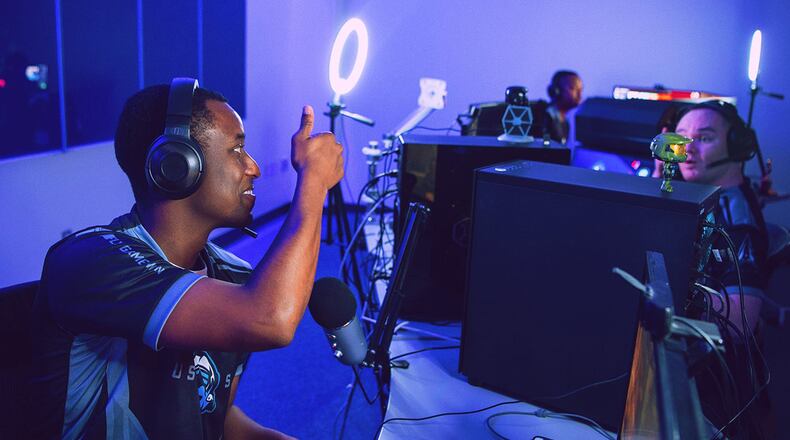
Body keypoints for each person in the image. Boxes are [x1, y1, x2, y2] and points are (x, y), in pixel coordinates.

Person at [27, 79, 343, 439]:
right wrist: (313, 185)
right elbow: (272, 320)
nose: (253, 167)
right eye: (237, 149)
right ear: (176, 164)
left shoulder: (236, 277)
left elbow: (215, 416)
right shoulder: (89, 261)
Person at [655, 100, 771, 438]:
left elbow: (739, 321)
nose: (687, 149)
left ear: (737, 147)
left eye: (703, 138)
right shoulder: (714, 196)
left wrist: (665, 304)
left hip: (708, 390)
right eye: (681, 138)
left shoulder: (737, 218)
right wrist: (662, 173)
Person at [530, 70, 583, 144]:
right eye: (573, 88)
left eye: (581, 90)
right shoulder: (543, 115)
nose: (580, 95)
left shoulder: (565, 124)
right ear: (556, 91)